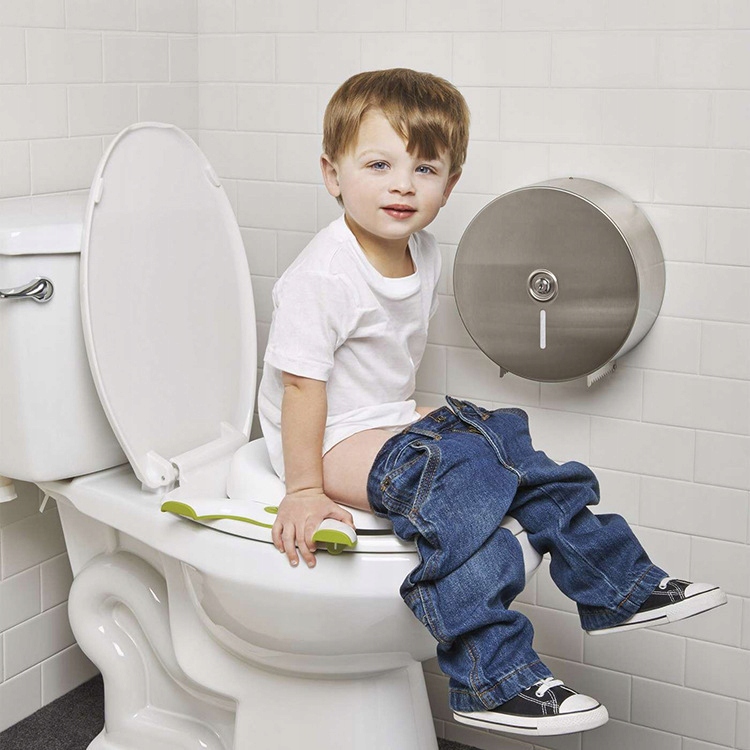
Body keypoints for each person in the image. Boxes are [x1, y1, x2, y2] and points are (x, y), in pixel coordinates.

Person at [257, 68, 727, 737]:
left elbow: (382, 368)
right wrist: (303, 489)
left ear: (449, 186)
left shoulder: (423, 252)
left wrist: (418, 419)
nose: (402, 185)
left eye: (425, 169)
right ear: (333, 175)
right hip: (326, 440)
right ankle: (491, 679)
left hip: (380, 421)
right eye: (379, 165)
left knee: (506, 440)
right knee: (461, 487)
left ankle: (617, 584)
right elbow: (302, 387)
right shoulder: (321, 275)